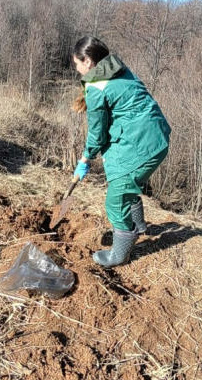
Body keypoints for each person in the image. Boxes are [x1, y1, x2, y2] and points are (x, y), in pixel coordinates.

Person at [70, 36, 171, 267]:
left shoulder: (97, 88)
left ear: (88, 62)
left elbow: (97, 135)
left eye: (77, 63)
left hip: (140, 144)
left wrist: (84, 159)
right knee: (126, 185)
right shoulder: (118, 69)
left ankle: (120, 254)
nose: (76, 69)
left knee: (115, 201)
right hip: (157, 137)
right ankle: (140, 226)